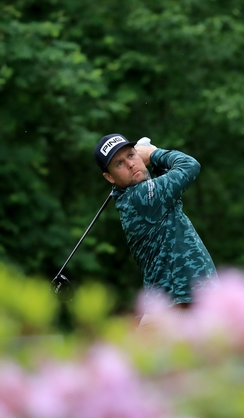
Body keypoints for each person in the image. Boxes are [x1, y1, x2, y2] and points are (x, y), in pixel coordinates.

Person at [93, 133, 217, 328]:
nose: (130, 164)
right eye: (119, 164)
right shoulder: (141, 197)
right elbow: (189, 165)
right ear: (109, 177)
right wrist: (153, 154)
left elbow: (166, 182)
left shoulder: (144, 195)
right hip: (177, 311)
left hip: (181, 307)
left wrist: (154, 164)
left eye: (131, 156)